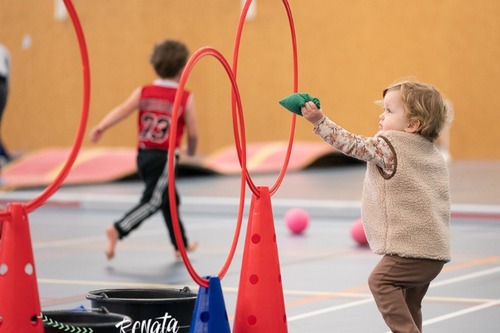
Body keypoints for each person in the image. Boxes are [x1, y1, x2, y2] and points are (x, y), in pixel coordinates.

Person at [301, 79, 452, 333]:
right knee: (409, 304)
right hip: (434, 252)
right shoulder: (432, 154)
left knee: (380, 281)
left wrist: (319, 121)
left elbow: (352, 144)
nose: (382, 116)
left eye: (389, 111)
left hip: (409, 251)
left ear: (412, 125)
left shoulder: (390, 146)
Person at [90, 39, 199, 260]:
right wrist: (191, 149)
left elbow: (122, 110)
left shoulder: (144, 92)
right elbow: (194, 132)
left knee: (170, 199)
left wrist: (101, 126)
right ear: (182, 70)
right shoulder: (184, 97)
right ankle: (119, 229)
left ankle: (181, 245)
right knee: (154, 200)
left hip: (143, 155)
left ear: (155, 66)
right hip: (165, 158)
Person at [0, 44, 11, 162]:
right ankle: (3, 154)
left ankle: (3, 154)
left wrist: (7, 88)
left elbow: (9, 67)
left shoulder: (2, 50)